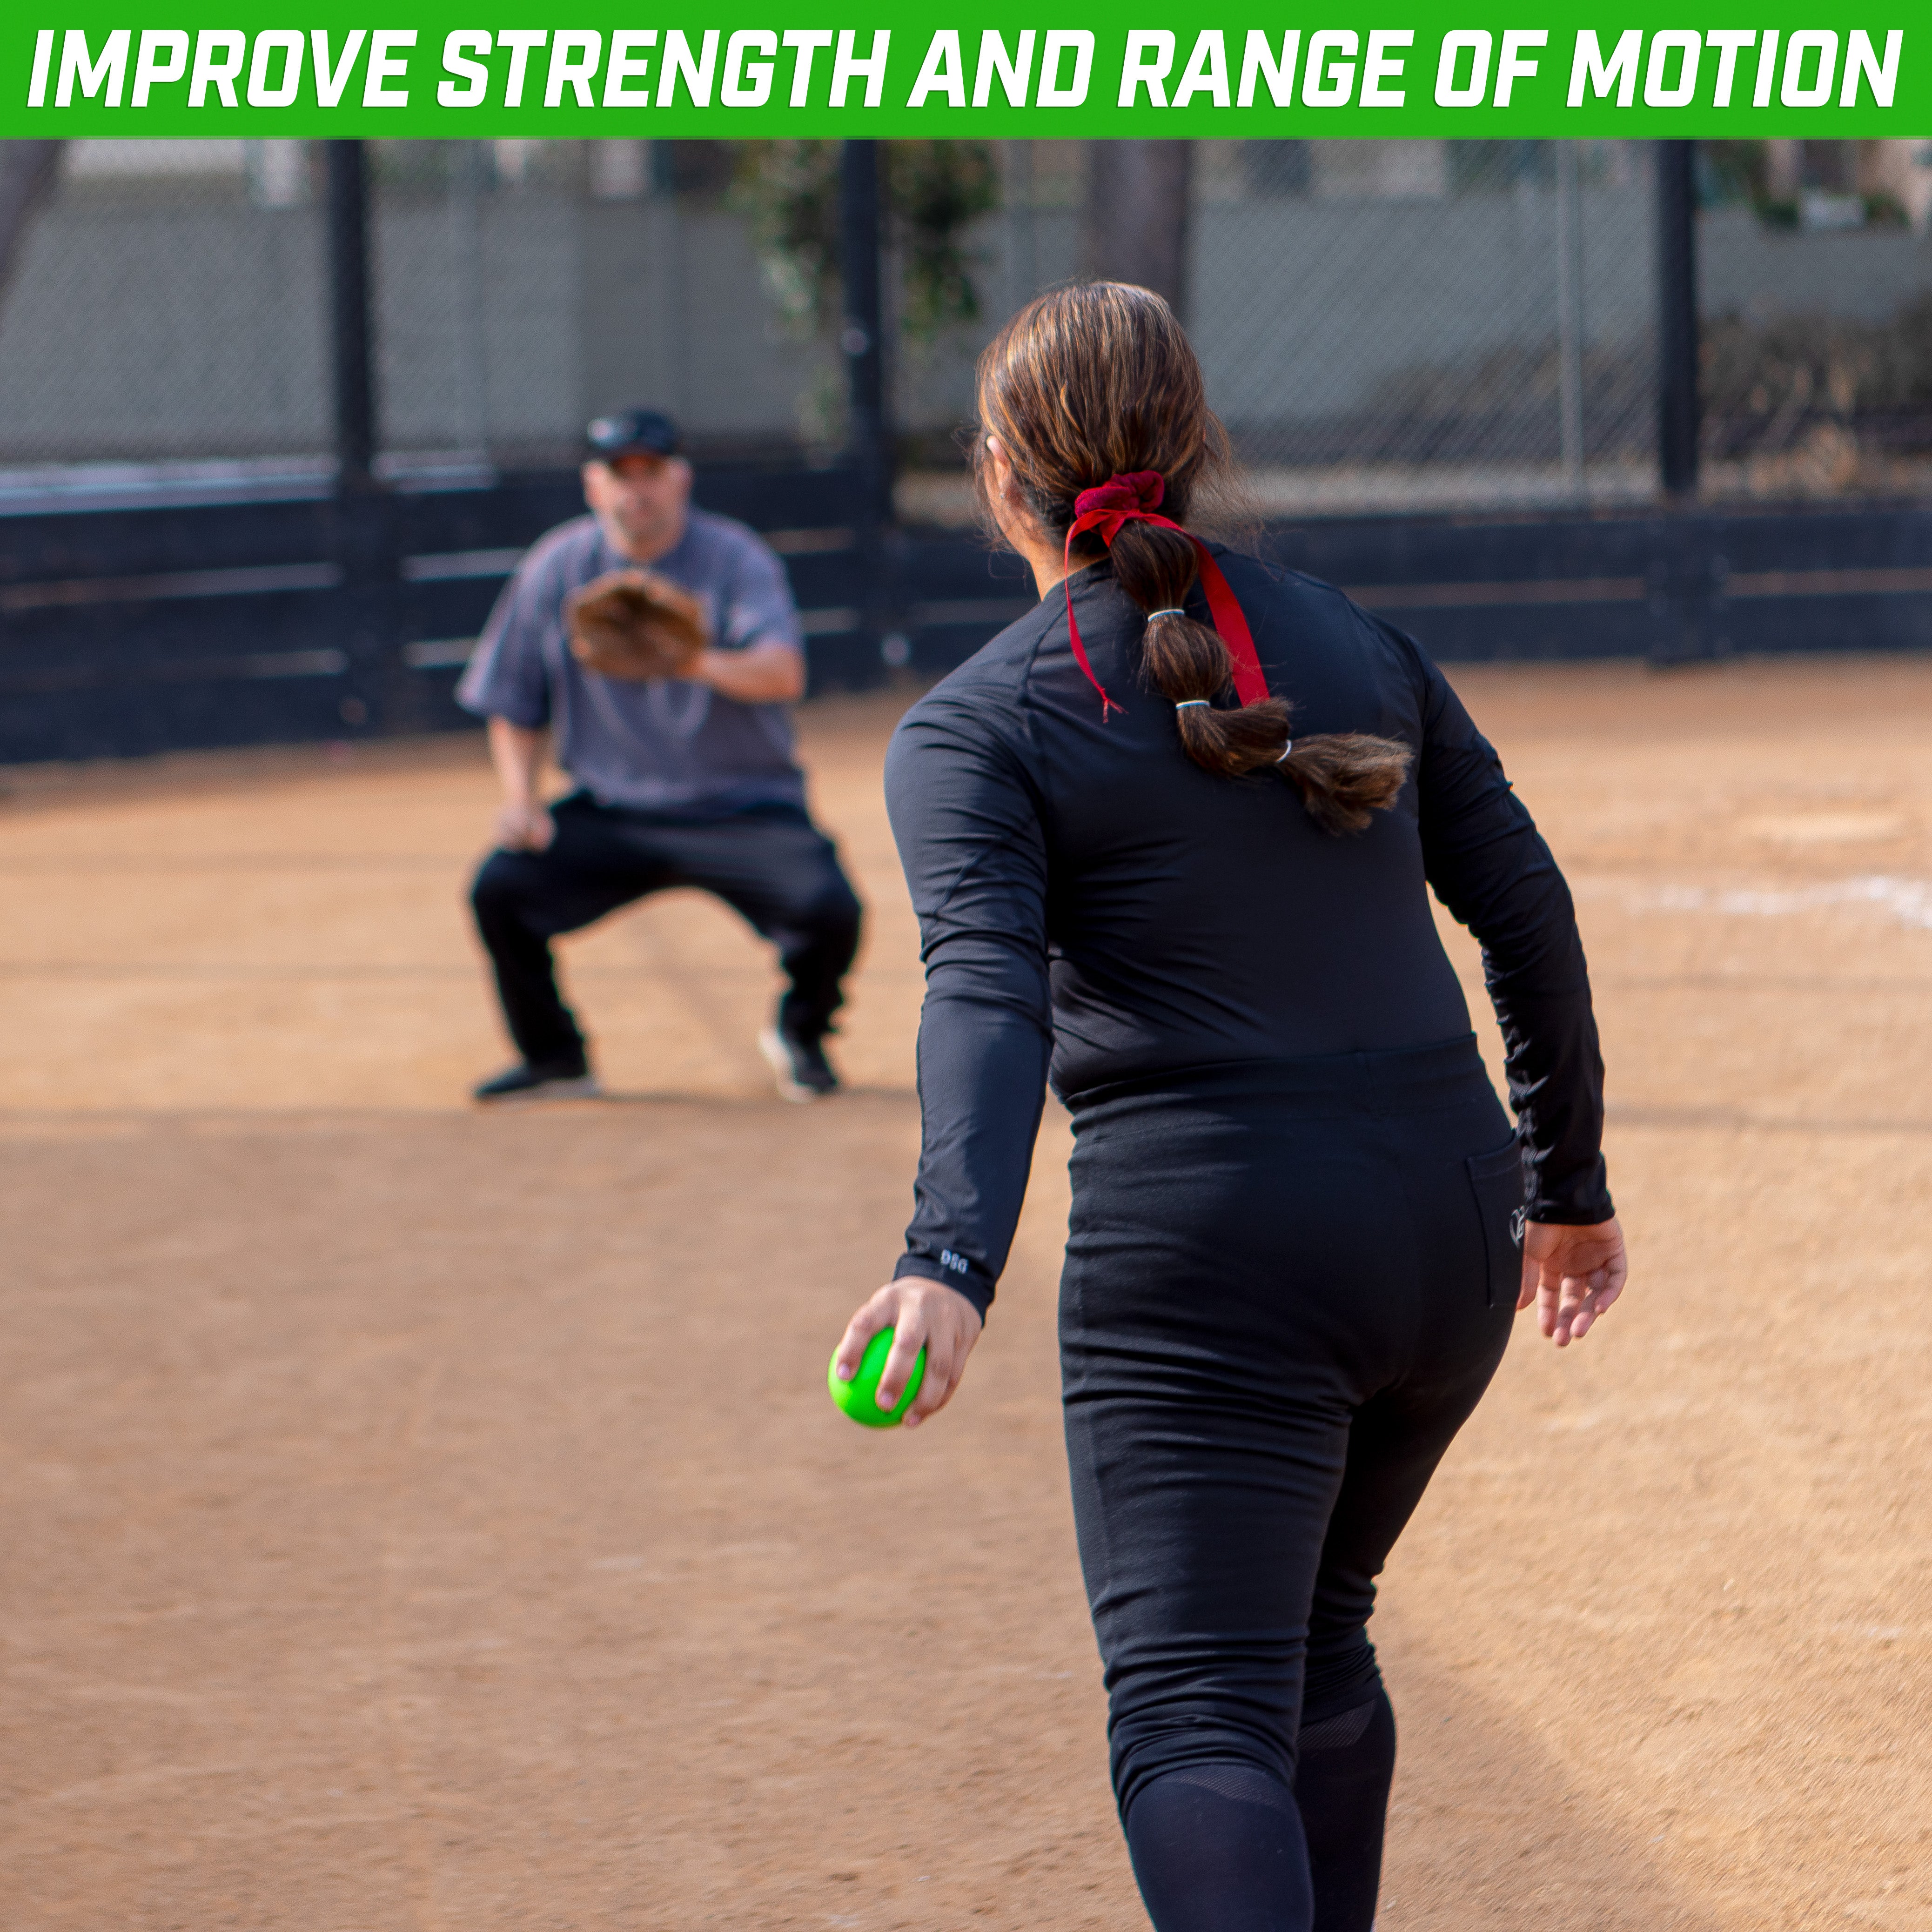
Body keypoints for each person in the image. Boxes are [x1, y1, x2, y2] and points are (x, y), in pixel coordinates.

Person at [831, 286, 1628, 1932]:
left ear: (999, 477)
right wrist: (1566, 1186)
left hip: (1224, 1251)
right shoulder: (1355, 639)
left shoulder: (979, 722)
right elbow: (1526, 911)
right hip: (1451, 1229)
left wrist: (948, 1258)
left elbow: (984, 994)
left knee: (1196, 1711)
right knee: (1319, 1636)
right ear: (1196, 443)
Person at [457, 409, 863, 1104]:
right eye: (620, 474)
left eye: (651, 472)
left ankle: (800, 1033)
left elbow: (783, 674)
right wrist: (521, 800)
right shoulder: (559, 566)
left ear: (681, 479)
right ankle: (555, 1058)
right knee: (500, 890)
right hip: (614, 810)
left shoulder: (734, 558)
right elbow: (514, 702)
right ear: (594, 485)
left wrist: (690, 660)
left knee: (829, 908)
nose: (636, 489)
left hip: (740, 803)